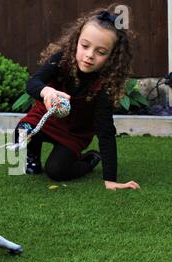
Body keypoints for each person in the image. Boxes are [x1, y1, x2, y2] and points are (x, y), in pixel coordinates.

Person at [15, 5, 140, 191]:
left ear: (112, 57)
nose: (89, 55)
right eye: (85, 46)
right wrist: (47, 92)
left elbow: (105, 132)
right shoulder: (61, 59)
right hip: (46, 119)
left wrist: (110, 179)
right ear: (76, 41)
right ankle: (32, 159)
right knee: (23, 131)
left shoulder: (103, 86)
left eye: (101, 52)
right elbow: (33, 82)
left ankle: (89, 161)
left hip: (73, 133)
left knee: (56, 171)